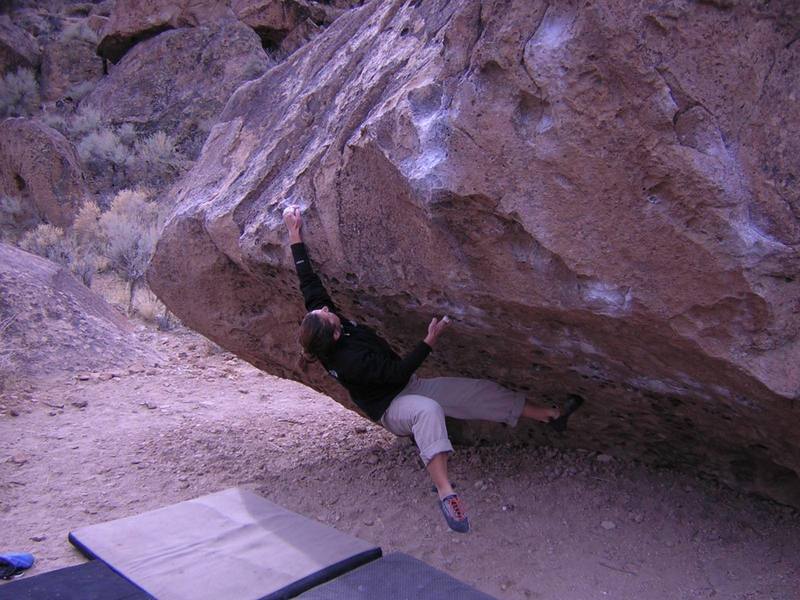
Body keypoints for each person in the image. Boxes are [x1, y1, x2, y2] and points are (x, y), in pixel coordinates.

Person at [283, 206, 584, 533]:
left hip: (408, 385)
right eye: (327, 315)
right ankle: (446, 492)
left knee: (476, 392)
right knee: (426, 411)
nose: (327, 309)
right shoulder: (349, 361)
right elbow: (396, 374)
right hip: (392, 407)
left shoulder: (322, 330)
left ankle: (549, 416)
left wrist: (294, 232)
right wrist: (429, 341)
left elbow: (308, 282)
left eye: (324, 310)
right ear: (336, 334)